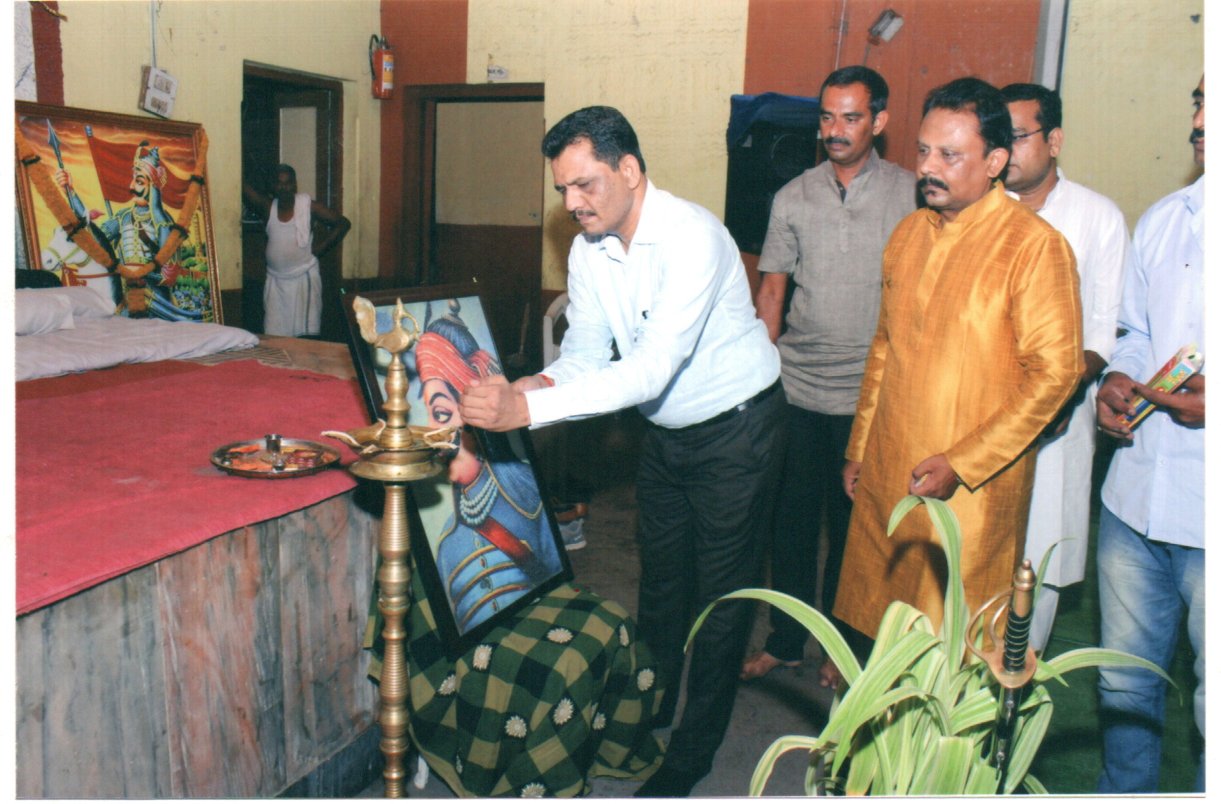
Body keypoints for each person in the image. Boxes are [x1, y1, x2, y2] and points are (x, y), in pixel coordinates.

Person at [459, 106, 783, 797]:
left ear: (629, 170)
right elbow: (584, 354)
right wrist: (530, 385)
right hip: (665, 433)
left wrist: (528, 411)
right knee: (662, 585)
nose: (572, 203)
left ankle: (692, 754)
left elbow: (649, 370)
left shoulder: (693, 236)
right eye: (562, 190)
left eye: (585, 184)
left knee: (721, 600)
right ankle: (647, 711)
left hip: (739, 430)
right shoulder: (589, 250)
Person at [833, 77, 1083, 640]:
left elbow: (1056, 375)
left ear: (995, 161)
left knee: (954, 643)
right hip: (891, 470)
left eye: (949, 155)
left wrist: (964, 463)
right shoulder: (908, 234)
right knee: (882, 631)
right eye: (923, 150)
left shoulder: (1034, 247)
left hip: (972, 489)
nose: (927, 167)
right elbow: (885, 348)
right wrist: (860, 449)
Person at [742, 65, 916, 687]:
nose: (835, 130)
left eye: (851, 117)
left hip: (871, 399)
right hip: (796, 389)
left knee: (855, 534)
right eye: (826, 117)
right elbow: (772, 292)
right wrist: (758, 384)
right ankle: (786, 641)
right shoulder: (793, 196)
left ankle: (845, 650)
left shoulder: (912, 194)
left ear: (879, 121)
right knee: (788, 526)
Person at [1094, 75, 1204, 794]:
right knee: (1123, 685)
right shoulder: (1167, 218)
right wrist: (1117, 378)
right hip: (1133, 502)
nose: (1199, 118)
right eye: (1197, 100)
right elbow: (1134, 331)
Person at [1000, 83, 1129, 651]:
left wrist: (1054, 393)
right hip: (981, 411)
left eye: (1017, 136)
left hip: (1059, 416)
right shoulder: (979, 210)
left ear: (1053, 141)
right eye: (996, 137)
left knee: (1040, 562)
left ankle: (1017, 686)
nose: (1005, 150)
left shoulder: (1098, 217)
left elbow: (1104, 327)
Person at [415, 299, 565, 633]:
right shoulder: (447, 544)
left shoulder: (525, 498)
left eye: (440, 413)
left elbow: (559, 591)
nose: (430, 431)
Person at [242, 163, 350, 336]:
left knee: (305, 335)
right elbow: (245, 189)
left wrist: (320, 249)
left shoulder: (308, 206)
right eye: (279, 183)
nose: (284, 188)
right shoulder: (268, 207)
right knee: (274, 334)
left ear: (295, 185)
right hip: (276, 281)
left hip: (303, 277)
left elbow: (343, 224)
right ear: (273, 186)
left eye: (288, 183)